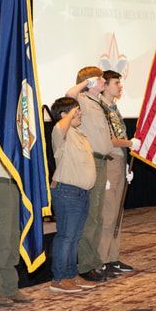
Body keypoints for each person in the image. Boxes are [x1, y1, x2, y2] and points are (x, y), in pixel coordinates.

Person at [65, 67, 116, 282]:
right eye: (100, 78)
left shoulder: (98, 103)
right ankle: (86, 265)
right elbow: (68, 95)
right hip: (91, 161)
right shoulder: (83, 100)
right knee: (91, 217)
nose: (104, 81)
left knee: (97, 215)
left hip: (102, 162)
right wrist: (87, 84)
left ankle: (95, 261)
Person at [48, 97, 98, 293]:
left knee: (75, 237)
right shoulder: (61, 133)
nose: (80, 114)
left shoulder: (79, 134)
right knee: (66, 237)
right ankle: (59, 279)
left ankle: (70, 274)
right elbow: (60, 127)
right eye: (76, 112)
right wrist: (70, 112)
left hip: (81, 193)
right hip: (67, 192)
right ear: (64, 115)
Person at [0, 126, 33, 307]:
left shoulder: (14, 130)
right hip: (0, 184)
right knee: (1, 239)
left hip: (14, 185)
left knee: (13, 239)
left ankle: (11, 288)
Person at [98, 70, 140, 274]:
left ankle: (113, 257)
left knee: (117, 213)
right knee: (107, 214)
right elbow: (107, 139)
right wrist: (130, 142)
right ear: (104, 85)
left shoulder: (113, 108)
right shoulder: (100, 109)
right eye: (116, 82)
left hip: (119, 160)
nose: (119, 86)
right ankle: (102, 259)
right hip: (108, 162)